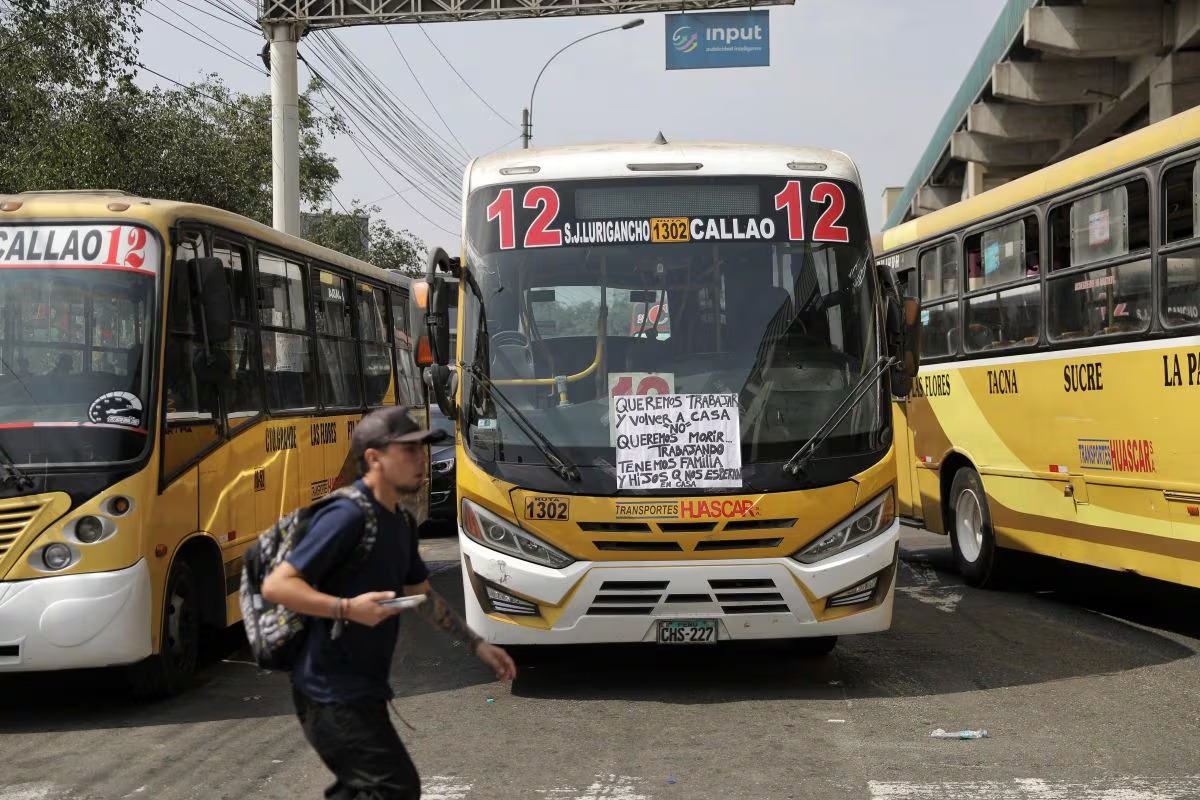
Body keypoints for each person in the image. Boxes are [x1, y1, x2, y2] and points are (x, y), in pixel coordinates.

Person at [262, 405, 517, 800]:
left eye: (422, 450)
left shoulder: (398, 522)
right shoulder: (347, 516)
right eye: (409, 451)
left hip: (362, 688)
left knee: (364, 789)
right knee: (394, 786)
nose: (421, 460)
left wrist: (477, 644)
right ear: (374, 458)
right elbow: (278, 585)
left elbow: (421, 594)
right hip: (328, 690)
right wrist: (346, 608)